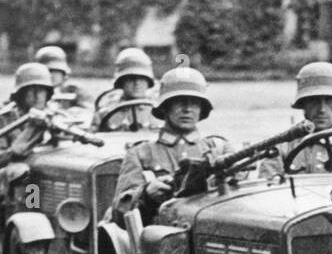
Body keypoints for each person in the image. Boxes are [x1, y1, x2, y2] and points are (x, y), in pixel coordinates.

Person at [113, 65, 231, 224]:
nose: (187, 109)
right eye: (179, 102)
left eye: (195, 103)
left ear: (202, 109)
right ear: (165, 107)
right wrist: (146, 195)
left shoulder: (219, 148)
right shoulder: (140, 154)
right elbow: (119, 213)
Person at [257, 62, 332, 177]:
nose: (322, 109)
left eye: (329, 100)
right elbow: (266, 190)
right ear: (303, 105)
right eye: (314, 101)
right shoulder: (281, 149)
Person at [0, 63, 57, 227]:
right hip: (24, 186)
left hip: (53, 186)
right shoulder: (5, 119)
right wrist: (12, 152)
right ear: (20, 93)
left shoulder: (57, 117)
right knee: (25, 176)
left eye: (42, 90)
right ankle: (27, 226)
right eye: (32, 90)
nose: (38, 96)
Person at [94, 48, 158, 130]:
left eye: (142, 78)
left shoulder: (160, 111)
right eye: (131, 78)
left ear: (148, 82)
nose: (137, 83)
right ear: (121, 82)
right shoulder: (105, 112)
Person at [35, 45, 91, 119]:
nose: (51, 75)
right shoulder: (32, 92)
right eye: (46, 71)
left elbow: (88, 113)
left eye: (55, 71)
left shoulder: (74, 90)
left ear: (64, 74)